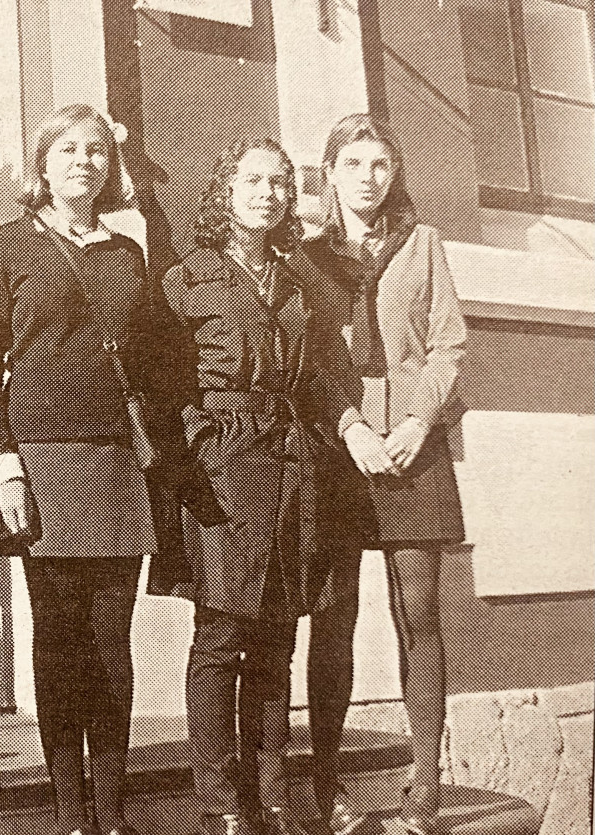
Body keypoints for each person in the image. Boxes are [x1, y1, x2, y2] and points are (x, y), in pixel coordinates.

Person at [159, 138, 372, 835]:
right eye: (253, 180)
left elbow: (308, 376)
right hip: (223, 468)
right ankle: (221, 806)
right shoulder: (187, 278)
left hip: (288, 468)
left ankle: (272, 796)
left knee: (277, 636)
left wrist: (344, 428)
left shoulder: (291, 279)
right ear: (224, 191)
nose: (268, 193)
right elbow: (162, 381)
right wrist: (198, 448)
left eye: (280, 183)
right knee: (221, 635)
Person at [0, 103, 173, 835]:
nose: (82, 162)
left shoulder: (127, 254)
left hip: (115, 462)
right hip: (41, 462)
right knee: (59, 639)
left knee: (110, 642)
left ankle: (113, 812)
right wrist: (6, 468)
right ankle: (69, 814)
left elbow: (150, 356)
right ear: (42, 164)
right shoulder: (8, 247)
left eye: (95, 150)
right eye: (67, 149)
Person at [303, 113, 467, 835]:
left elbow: (448, 346)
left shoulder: (423, 244)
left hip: (411, 448)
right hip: (340, 452)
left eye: (380, 165)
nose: (368, 178)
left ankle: (425, 780)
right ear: (329, 173)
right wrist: (350, 429)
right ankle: (325, 781)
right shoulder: (302, 256)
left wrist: (412, 426)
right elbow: (304, 360)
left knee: (418, 613)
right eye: (354, 164)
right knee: (333, 618)